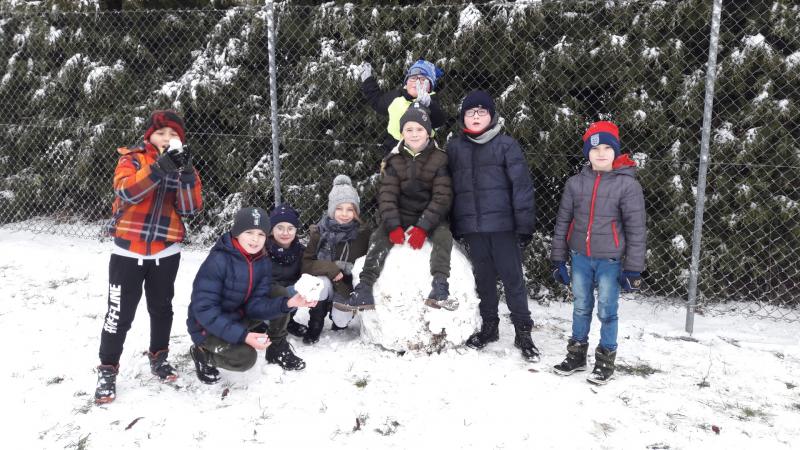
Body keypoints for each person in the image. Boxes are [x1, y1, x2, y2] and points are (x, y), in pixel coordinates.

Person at [95, 110, 202, 404]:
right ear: (149, 136)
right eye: (161, 133)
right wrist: (159, 168)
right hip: (127, 251)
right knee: (118, 314)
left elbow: (190, 208)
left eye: (173, 134)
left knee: (162, 308)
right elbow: (127, 192)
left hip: (165, 252)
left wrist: (187, 175)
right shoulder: (132, 159)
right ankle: (107, 368)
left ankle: (159, 357)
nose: (167, 138)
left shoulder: (183, 165)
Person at [445, 91, 539, 362]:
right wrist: (455, 223)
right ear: (463, 118)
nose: (476, 116)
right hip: (473, 228)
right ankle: (490, 326)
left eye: (482, 111)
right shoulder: (455, 148)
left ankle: (523, 331)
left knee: (512, 279)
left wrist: (524, 225)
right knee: (483, 279)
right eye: (470, 112)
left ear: (492, 116)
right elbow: (448, 188)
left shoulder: (506, 145)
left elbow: (521, 186)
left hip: (503, 227)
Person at [550, 121, 647, 385]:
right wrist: (558, 258)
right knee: (581, 306)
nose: (601, 153)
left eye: (607, 148)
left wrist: (633, 268)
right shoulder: (575, 184)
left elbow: (636, 229)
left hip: (610, 261)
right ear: (587, 153)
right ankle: (577, 354)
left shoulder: (627, 186)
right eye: (595, 149)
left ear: (615, 151)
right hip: (580, 257)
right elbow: (563, 222)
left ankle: (605, 360)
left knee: (607, 310)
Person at [335, 105, 456, 312]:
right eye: (409, 129)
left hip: (431, 217)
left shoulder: (440, 158)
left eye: (419, 129)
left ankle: (440, 286)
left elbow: (442, 197)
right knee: (378, 237)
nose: (414, 134)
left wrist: (423, 228)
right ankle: (364, 289)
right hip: (401, 214)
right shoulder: (394, 159)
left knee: (444, 236)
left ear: (428, 132)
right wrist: (393, 226)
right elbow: (387, 196)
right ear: (402, 133)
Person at [187, 207, 317, 384]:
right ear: (237, 232)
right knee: (245, 358)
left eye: (261, 234)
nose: (255, 239)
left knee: (278, 293)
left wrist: (288, 303)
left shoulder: (262, 260)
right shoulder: (218, 261)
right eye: (249, 232)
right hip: (206, 327)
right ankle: (202, 354)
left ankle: (277, 348)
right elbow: (203, 310)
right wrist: (244, 336)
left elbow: (255, 305)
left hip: (239, 317)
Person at [301, 175, 371, 344]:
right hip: (326, 283)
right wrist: (332, 268)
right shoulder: (320, 232)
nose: (344, 214)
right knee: (321, 282)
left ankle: (338, 317)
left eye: (350, 209)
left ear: (356, 211)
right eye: (339, 208)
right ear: (332, 209)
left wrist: (349, 271)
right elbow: (306, 264)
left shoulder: (363, 234)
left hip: (345, 288)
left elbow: (367, 265)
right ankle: (315, 323)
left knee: (341, 321)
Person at [359, 59, 447, 156]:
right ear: (406, 82)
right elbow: (378, 102)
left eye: (423, 79)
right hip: (393, 150)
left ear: (430, 86)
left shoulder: (432, 101)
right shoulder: (396, 97)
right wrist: (367, 81)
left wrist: (428, 105)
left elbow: (439, 121)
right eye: (413, 78)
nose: (417, 82)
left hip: (422, 154)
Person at [258, 203, 308, 370]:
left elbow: (309, 270)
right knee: (282, 292)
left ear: (296, 230)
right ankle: (270, 331)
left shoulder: (300, 251)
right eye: (280, 228)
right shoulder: (261, 250)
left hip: (289, 299)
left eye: (290, 228)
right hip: (266, 301)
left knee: (304, 286)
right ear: (271, 229)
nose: (285, 233)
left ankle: (287, 321)